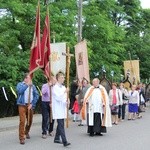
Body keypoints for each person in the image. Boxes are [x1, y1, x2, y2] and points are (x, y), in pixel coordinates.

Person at [16, 73, 39, 145]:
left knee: (30, 120)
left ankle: (26, 132)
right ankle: (21, 137)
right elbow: (20, 91)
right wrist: (27, 85)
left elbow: (36, 95)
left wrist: (32, 104)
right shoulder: (20, 84)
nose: (30, 79)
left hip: (30, 105)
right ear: (25, 78)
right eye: (29, 78)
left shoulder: (33, 86)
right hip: (22, 105)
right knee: (22, 121)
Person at [52, 72, 71, 147]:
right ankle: (64, 141)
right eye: (62, 77)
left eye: (63, 77)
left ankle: (56, 138)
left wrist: (68, 101)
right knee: (61, 124)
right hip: (57, 108)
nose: (63, 79)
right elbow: (58, 98)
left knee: (60, 124)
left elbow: (65, 97)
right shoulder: (55, 88)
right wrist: (65, 92)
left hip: (63, 107)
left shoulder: (63, 87)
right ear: (58, 78)